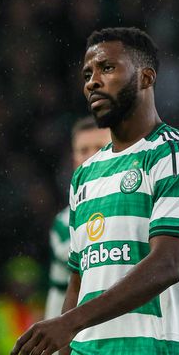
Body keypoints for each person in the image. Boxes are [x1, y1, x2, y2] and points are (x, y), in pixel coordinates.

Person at [12, 27, 179, 355]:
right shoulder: (85, 175)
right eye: (87, 73)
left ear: (146, 78)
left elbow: (166, 264)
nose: (92, 81)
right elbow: (79, 282)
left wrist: (70, 323)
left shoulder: (177, 155)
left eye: (107, 68)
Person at [45, 118, 111, 320]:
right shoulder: (64, 224)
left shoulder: (145, 206)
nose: (91, 158)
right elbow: (60, 292)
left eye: (100, 147)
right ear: (74, 160)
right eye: (83, 151)